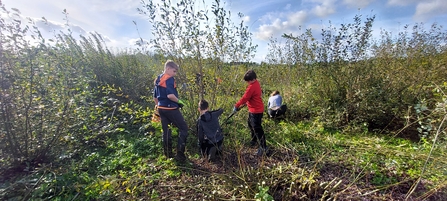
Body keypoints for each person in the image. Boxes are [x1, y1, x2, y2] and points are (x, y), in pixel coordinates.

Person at [153, 60, 188, 162]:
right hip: (171, 109)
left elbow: (155, 97)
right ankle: (180, 155)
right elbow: (170, 95)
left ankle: (168, 154)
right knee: (184, 128)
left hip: (161, 109)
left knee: (166, 131)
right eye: (174, 71)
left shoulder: (158, 79)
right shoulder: (169, 79)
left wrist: (158, 106)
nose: (175, 74)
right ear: (168, 68)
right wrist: (179, 101)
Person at [233, 70, 270, 156]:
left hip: (256, 110)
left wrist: (236, 105)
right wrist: (247, 103)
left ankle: (264, 147)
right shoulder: (256, 83)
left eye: (248, 81)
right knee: (250, 124)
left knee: (257, 129)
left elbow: (245, 97)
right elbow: (251, 97)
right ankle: (254, 140)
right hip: (255, 109)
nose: (248, 83)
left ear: (252, 79)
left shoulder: (252, 87)